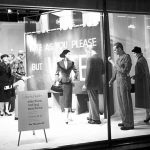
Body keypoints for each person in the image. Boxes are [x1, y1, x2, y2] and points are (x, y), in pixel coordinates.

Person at [108, 42, 134, 130]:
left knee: (126, 103)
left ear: (119, 48)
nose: (114, 51)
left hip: (124, 82)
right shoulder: (119, 59)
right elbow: (116, 72)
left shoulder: (127, 57)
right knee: (121, 103)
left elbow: (125, 71)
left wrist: (112, 63)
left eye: (115, 49)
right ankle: (124, 121)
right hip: (119, 83)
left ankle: (129, 124)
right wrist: (111, 80)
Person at [82, 45, 104, 124]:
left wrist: (86, 84)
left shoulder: (90, 59)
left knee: (93, 101)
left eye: (87, 51)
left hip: (91, 83)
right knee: (93, 100)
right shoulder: (100, 59)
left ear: (90, 50)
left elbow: (88, 73)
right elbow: (103, 72)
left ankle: (96, 119)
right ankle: (92, 116)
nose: (86, 53)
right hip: (98, 83)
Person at [55, 49, 78, 124]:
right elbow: (56, 73)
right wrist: (57, 80)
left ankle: (67, 117)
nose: (69, 55)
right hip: (62, 83)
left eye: (70, 54)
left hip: (68, 82)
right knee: (64, 99)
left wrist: (74, 77)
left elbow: (76, 71)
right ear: (65, 54)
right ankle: (67, 116)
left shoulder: (71, 63)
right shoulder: (59, 63)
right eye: (68, 54)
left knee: (68, 99)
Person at [131, 46, 150, 123]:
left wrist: (134, 77)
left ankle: (148, 115)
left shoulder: (140, 61)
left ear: (138, 53)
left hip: (142, 83)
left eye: (134, 53)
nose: (134, 55)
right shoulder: (143, 59)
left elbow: (141, 73)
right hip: (145, 82)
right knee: (147, 100)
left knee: (145, 100)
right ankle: (147, 115)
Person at [11, 50, 26, 120]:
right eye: (24, 55)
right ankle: (18, 115)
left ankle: (18, 115)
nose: (24, 56)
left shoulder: (19, 61)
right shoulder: (17, 61)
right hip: (18, 81)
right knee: (19, 98)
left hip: (20, 81)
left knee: (19, 98)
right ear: (20, 55)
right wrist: (21, 77)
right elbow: (13, 72)